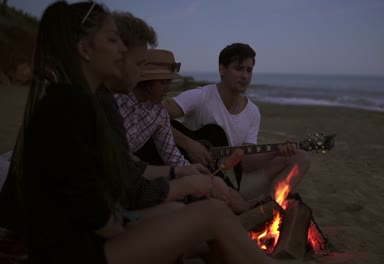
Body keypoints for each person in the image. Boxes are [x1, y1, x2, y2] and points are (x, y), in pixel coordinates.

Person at [0, 2, 271, 263]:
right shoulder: (77, 105)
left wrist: (182, 173)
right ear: (84, 49)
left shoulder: (90, 99)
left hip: (83, 234)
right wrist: (182, 190)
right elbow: (121, 195)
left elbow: (124, 170)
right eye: (113, 40)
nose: (121, 50)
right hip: (74, 251)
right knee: (211, 214)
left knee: (192, 223)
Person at [100, 12, 220, 211]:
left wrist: (191, 172)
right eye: (164, 82)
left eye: (170, 82)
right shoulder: (112, 100)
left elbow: (170, 154)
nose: (169, 88)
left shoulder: (159, 113)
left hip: (126, 177)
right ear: (146, 81)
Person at [165, 42, 311, 204]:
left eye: (249, 70)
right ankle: (246, 209)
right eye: (239, 69)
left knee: (301, 157)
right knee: (233, 200)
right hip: (199, 177)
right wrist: (188, 144)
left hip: (236, 180)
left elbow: (247, 163)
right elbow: (156, 113)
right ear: (222, 69)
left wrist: (276, 151)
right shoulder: (201, 96)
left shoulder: (252, 111)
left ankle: (269, 209)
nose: (245, 76)